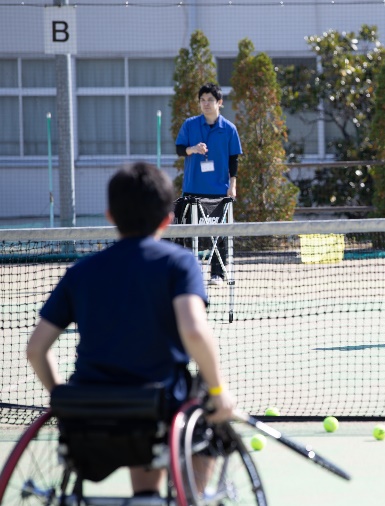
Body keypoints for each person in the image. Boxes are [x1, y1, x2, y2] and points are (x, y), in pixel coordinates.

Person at [26, 161, 236, 497]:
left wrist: (62, 398)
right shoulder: (179, 263)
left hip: (89, 413)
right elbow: (194, 332)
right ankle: (189, 495)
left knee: (141, 425)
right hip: (158, 409)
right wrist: (217, 391)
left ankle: (147, 496)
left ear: (110, 215)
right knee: (211, 419)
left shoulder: (81, 272)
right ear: (168, 219)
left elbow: (36, 349)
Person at [176, 82, 243, 286]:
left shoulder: (229, 129)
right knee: (186, 234)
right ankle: (187, 273)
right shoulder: (190, 124)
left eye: (210, 100)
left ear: (219, 103)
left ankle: (217, 273)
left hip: (218, 191)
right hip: (192, 189)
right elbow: (180, 149)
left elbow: (234, 159)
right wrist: (193, 149)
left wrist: (232, 185)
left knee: (219, 234)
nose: (206, 104)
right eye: (202, 100)